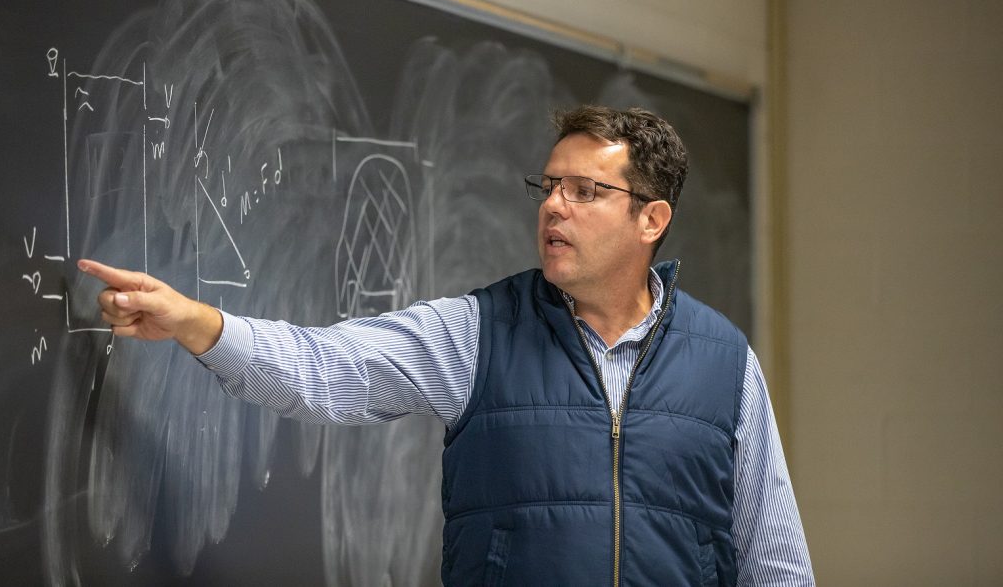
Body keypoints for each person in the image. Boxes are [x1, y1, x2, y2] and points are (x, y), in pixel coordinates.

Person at [82, 105, 814, 586]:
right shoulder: (479, 332)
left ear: (651, 218)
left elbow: (776, 562)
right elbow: (325, 367)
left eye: (586, 191)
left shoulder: (724, 362)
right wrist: (196, 322)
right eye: (549, 184)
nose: (555, 204)